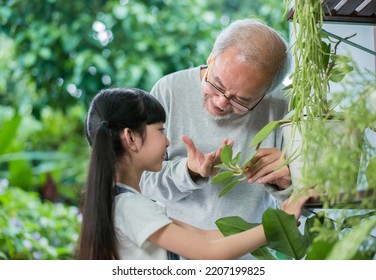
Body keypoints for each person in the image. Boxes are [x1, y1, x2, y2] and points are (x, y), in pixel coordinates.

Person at [76, 87, 308, 260]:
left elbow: (204, 237)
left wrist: (280, 221)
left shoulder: (124, 202)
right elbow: (208, 252)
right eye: (160, 130)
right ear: (131, 137)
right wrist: (278, 225)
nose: (167, 141)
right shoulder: (130, 206)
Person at [140, 19, 292, 259]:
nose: (221, 103)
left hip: (249, 253)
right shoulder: (168, 90)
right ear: (211, 58)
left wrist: (286, 184)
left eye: (241, 101)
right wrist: (189, 173)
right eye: (216, 85)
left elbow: (304, 201)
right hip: (173, 249)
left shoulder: (285, 108)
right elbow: (142, 181)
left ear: (268, 92)